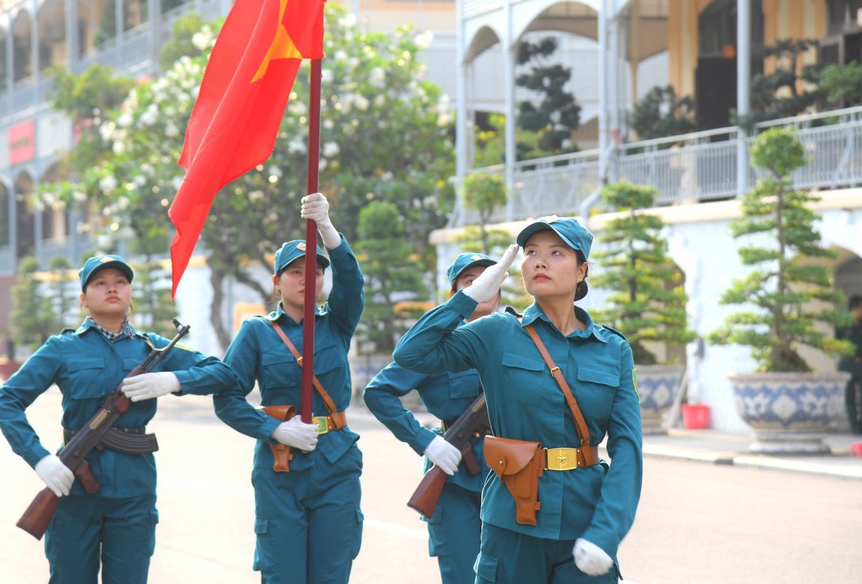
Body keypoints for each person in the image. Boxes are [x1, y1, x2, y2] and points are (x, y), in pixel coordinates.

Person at [393, 216, 643, 583]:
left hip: (584, 522)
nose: (539, 261)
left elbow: (628, 449)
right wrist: (469, 297)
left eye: (556, 253)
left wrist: (607, 533)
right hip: (512, 521)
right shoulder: (495, 332)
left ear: (582, 270)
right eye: (530, 252)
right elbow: (411, 355)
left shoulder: (612, 349)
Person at [0, 253, 236, 584]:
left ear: (130, 292)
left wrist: (173, 381)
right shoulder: (62, 348)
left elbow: (222, 374)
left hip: (133, 491)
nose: (112, 288)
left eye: (120, 282)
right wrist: (40, 459)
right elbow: (6, 401)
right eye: (100, 283)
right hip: (74, 489)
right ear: (83, 298)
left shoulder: (152, 349)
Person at [213, 192, 365, 584]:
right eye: (296, 272)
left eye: (315, 271)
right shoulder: (257, 332)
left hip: (335, 458)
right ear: (277, 281)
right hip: (280, 463)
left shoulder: (336, 323)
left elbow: (352, 280)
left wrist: (327, 228)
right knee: (283, 574)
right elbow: (227, 398)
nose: (307, 279)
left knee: (332, 573)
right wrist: (273, 429)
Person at [364, 252, 500, 584]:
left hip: (509, 476)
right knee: (464, 576)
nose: (481, 288)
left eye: (488, 280)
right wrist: (425, 441)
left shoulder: (519, 335)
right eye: (471, 282)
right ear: (456, 294)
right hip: (454, 477)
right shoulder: (435, 346)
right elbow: (378, 392)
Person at [837, 294, 862, 435]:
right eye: (861, 307)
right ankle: (855, 426)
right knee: (849, 396)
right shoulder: (842, 324)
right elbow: (838, 342)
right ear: (854, 308)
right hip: (847, 362)